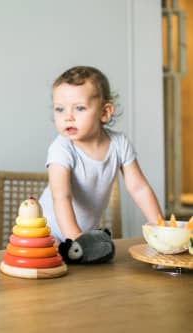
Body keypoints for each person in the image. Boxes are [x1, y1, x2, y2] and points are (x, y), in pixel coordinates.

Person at [38, 65, 163, 264]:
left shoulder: (119, 144)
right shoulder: (61, 148)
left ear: (105, 112)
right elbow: (61, 196)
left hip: (83, 234)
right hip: (46, 230)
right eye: (59, 109)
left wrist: (160, 228)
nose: (67, 116)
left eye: (79, 108)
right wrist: (76, 238)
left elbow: (138, 188)